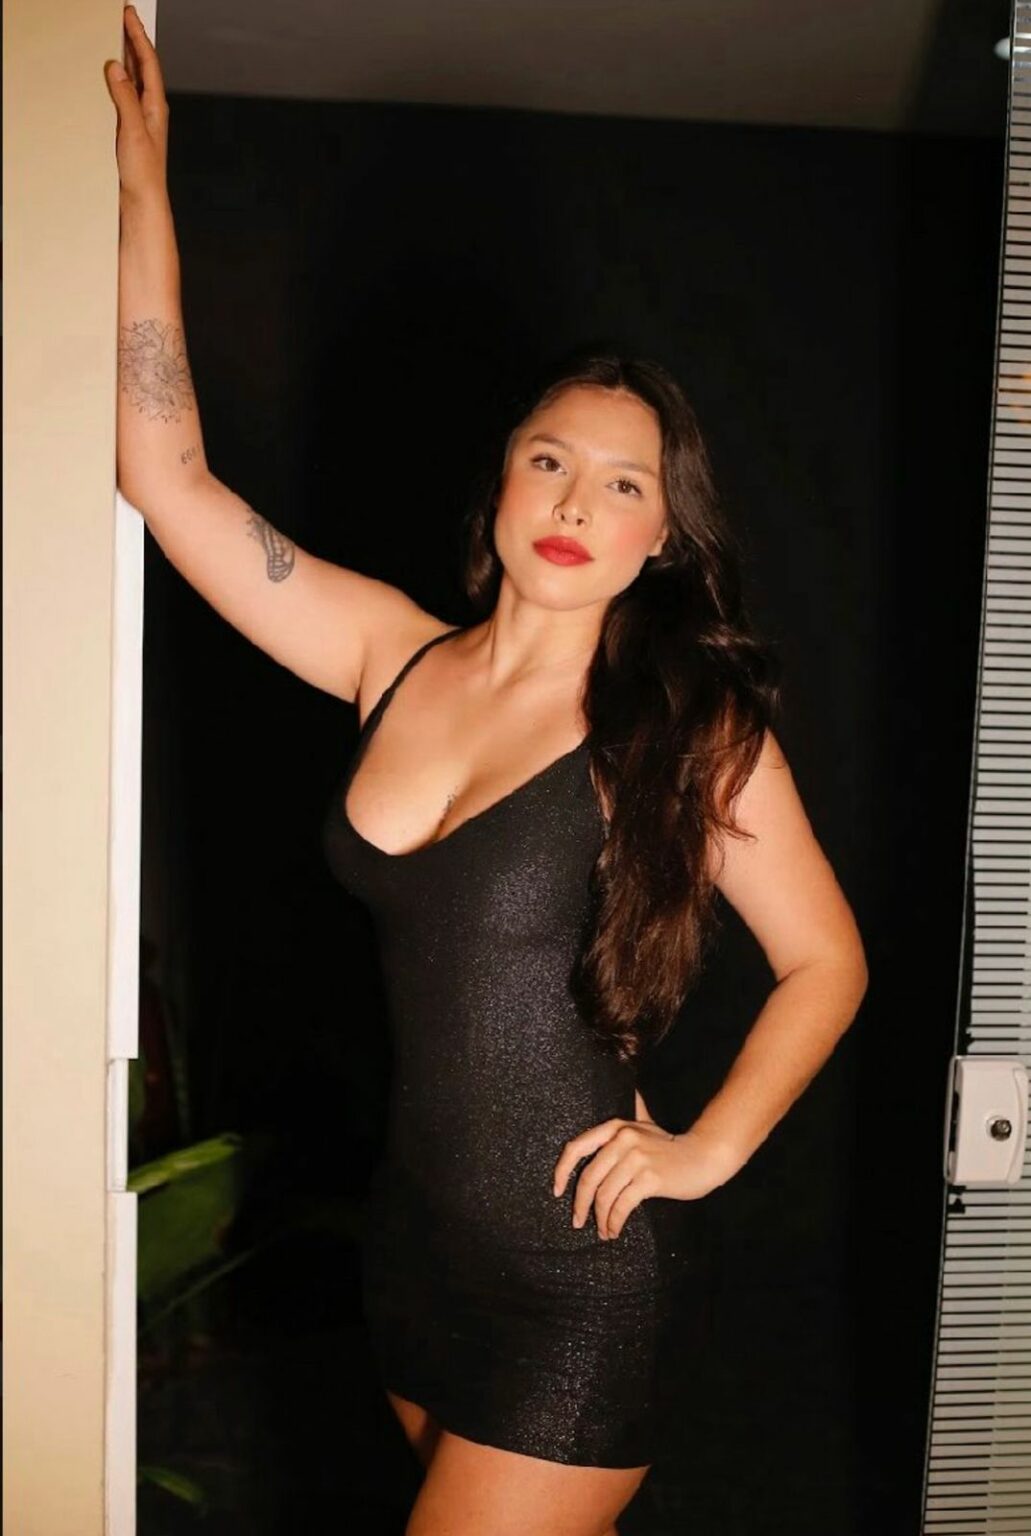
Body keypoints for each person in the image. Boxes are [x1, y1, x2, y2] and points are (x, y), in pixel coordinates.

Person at [106, 9, 869, 1532]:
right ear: (504, 482)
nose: (577, 502)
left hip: (579, 1282)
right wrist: (142, 192)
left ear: (663, 539)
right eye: (550, 460)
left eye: (623, 484)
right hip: (414, 1258)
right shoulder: (387, 654)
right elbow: (164, 476)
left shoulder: (683, 723)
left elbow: (827, 961)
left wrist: (707, 1148)